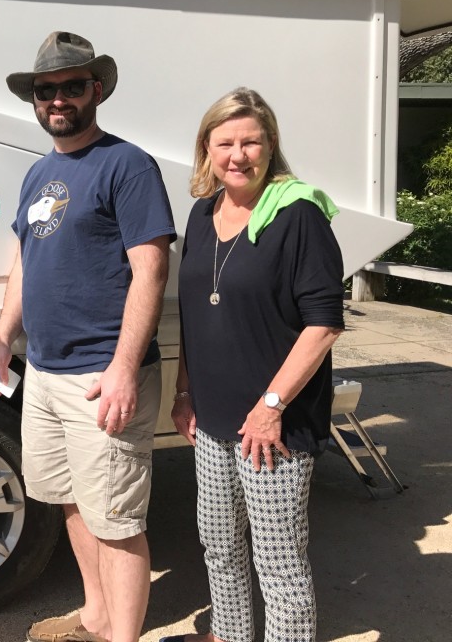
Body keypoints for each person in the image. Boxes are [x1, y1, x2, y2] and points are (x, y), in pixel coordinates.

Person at [0, 31, 176, 642]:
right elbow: (25, 261)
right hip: (42, 371)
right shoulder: (40, 172)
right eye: (47, 90)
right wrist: (3, 337)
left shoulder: (127, 164)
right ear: (34, 100)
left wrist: (123, 366)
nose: (58, 98)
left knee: (117, 519)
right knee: (70, 500)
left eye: (72, 86)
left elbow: (150, 267)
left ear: (96, 90)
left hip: (102, 374)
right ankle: (95, 617)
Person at [162, 88, 344, 642]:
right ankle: (230, 634)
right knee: (218, 545)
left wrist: (271, 407)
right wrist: (184, 392)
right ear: (207, 150)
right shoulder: (202, 213)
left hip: (274, 425)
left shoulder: (299, 215)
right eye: (225, 143)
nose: (238, 155)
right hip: (213, 417)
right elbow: (195, 315)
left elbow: (324, 324)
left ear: (270, 147)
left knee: (278, 559)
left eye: (251, 142)